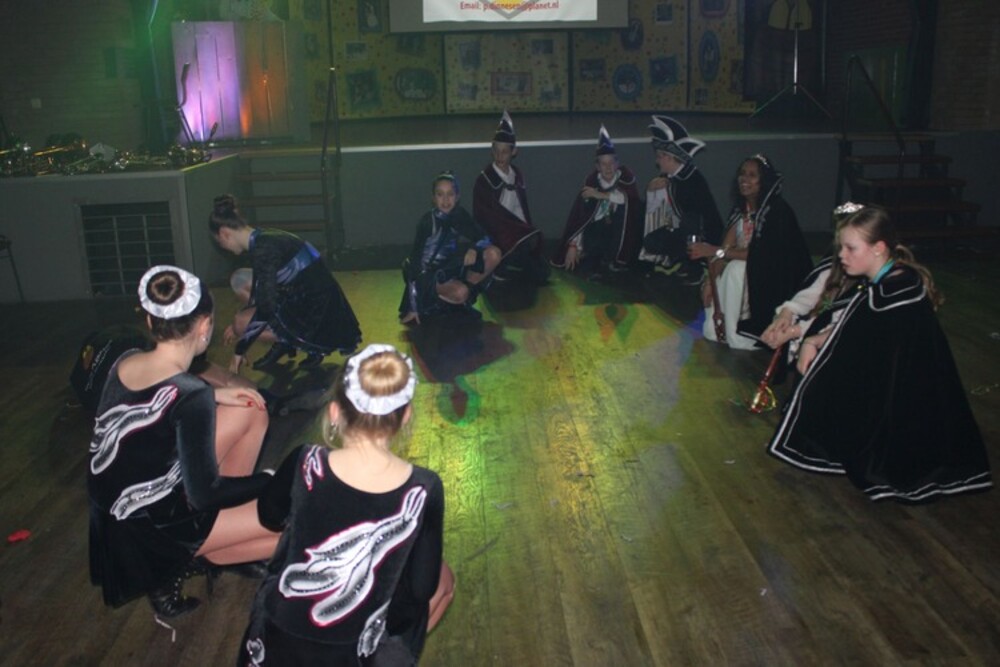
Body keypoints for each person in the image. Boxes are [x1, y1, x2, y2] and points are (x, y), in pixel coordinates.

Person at [238, 343, 454, 665]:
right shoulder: (424, 487)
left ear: (335, 412)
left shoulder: (305, 461)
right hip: (350, 650)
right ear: (406, 416)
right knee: (444, 582)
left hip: (276, 636)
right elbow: (422, 588)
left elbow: (268, 515)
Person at [88, 265, 281, 618]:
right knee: (297, 528)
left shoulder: (125, 359)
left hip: (119, 518)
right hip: (156, 529)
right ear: (205, 326)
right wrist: (270, 480)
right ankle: (198, 556)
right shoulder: (191, 395)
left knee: (251, 411)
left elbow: (155, 399)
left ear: (151, 321)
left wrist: (216, 394)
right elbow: (204, 495)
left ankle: (221, 540)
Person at [767, 207, 992, 502]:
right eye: (841, 247)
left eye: (850, 248)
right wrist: (812, 340)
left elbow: (858, 342)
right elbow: (851, 330)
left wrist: (811, 343)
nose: (842, 255)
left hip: (910, 403)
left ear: (878, 248)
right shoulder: (887, 283)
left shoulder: (894, 292)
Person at [209, 194, 362, 372]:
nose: (223, 248)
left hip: (319, 318)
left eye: (220, 243)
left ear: (225, 234)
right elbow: (261, 289)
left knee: (240, 323)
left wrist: (238, 351)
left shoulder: (263, 249)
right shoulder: (263, 238)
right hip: (314, 300)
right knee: (239, 279)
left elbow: (265, 307)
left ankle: (290, 340)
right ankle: (285, 342)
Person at [688, 154, 812, 350]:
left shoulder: (777, 211)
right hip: (752, 270)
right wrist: (710, 281)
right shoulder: (741, 210)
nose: (744, 179)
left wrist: (714, 251)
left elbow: (763, 255)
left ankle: (746, 334)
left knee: (736, 269)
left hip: (776, 278)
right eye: (742, 174)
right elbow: (724, 250)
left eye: (752, 175)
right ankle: (727, 330)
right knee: (711, 330)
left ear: (764, 181)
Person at [760, 201, 866, 359]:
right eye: (839, 244)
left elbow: (844, 325)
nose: (841, 253)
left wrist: (795, 331)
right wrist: (786, 313)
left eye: (850, 247)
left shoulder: (870, 284)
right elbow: (809, 296)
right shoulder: (832, 269)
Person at [399, 171, 501, 325]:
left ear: (457, 196)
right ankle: (446, 300)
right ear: (433, 198)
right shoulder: (427, 222)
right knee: (461, 292)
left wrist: (474, 248)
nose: (446, 200)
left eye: (450, 194)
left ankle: (461, 301)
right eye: (440, 194)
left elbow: (484, 237)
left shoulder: (459, 215)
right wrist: (414, 307)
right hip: (428, 275)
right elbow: (414, 263)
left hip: (450, 267)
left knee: (494, 253)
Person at [639, 115, 724, 284]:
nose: (657, 161)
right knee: (651, 241)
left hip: (703, 235)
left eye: (659, 157)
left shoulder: (691, 181)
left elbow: (696, 221)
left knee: (689, 221)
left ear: (669, 158)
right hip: (682, 229)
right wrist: (650, 190)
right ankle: (680, 260)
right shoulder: (671, 177)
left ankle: (695, 266)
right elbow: (653, 209)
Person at [551, 125, 642, 276]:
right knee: (590, 258)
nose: (608, 168)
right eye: (603, 164)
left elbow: (627, 200)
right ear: (597, 166)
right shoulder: (592, 183)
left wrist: (601, 195)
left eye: (611, 163)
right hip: (598, 233)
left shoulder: (626, 178)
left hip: (621, 233)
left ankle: (616, 260)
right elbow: (581, 217)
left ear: (617, 163)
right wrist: (573, 245)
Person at [473, 110, 549, 285]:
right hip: (496, 235)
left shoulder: (517, 175)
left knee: (543, 271)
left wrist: (525, 230)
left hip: (515, 232)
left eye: (505, 152)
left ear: (514, 151)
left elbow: (520, 208)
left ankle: (514, 265)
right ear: (492, 150)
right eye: (496, 151)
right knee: (522, 261)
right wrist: (508, 231)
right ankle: (500, 265)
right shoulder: (485, 179)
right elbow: (483, 215)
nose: (500, 156)